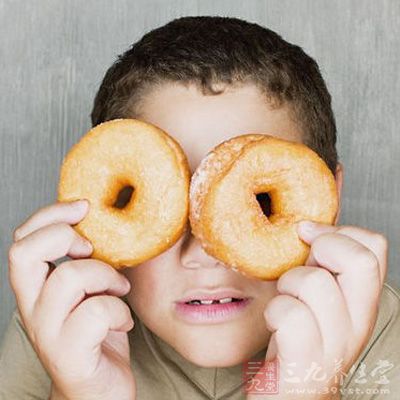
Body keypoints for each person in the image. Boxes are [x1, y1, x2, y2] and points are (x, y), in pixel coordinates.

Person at [1, 16, 399, 400]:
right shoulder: (61, 321)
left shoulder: (380, 332)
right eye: (169, 207)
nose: (205, 255)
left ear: (330, 197)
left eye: (260, 201)